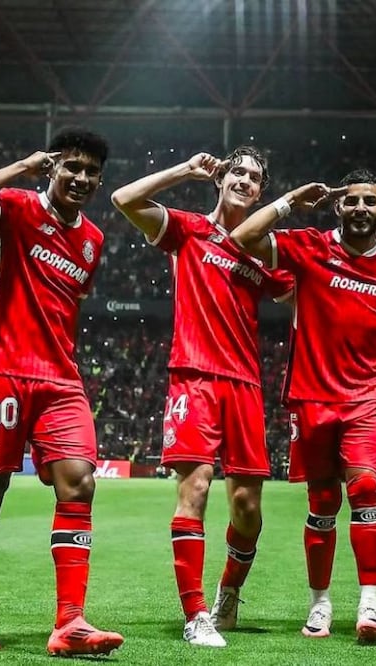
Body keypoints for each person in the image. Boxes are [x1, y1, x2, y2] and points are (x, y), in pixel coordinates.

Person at [0, 127, 123, 656]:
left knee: (80, 484)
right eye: (72, 167)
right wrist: (22, 166)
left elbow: (70, 301)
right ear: (53, 169)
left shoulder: (93, 239)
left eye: (91, 171)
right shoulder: (18, 208)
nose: (82, 178)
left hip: (61, 379)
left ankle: (70, 622)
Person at [110, 147, 293, 647]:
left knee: (247, 507)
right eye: (238, 171)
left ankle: (227, 595)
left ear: (262, 192)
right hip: (194, 376)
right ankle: (195, 615)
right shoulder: (187, 230)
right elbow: (124, 198)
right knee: (195, 489)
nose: (245, 181)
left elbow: (306, 291)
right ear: (221, 179)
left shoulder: (264, 251)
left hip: (246, 385)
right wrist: (184, 170)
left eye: (255, 178)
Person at [231, 170, 376, 644]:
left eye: (372, 201)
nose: (361, 209)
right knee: (324, 503)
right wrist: (290, 200)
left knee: (366, 488)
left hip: (368, 398)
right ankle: (321, 603)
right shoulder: (310, 245)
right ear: (337, 207)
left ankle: (370, 603)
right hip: (312, 397)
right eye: (352, 201)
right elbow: (243, 236)